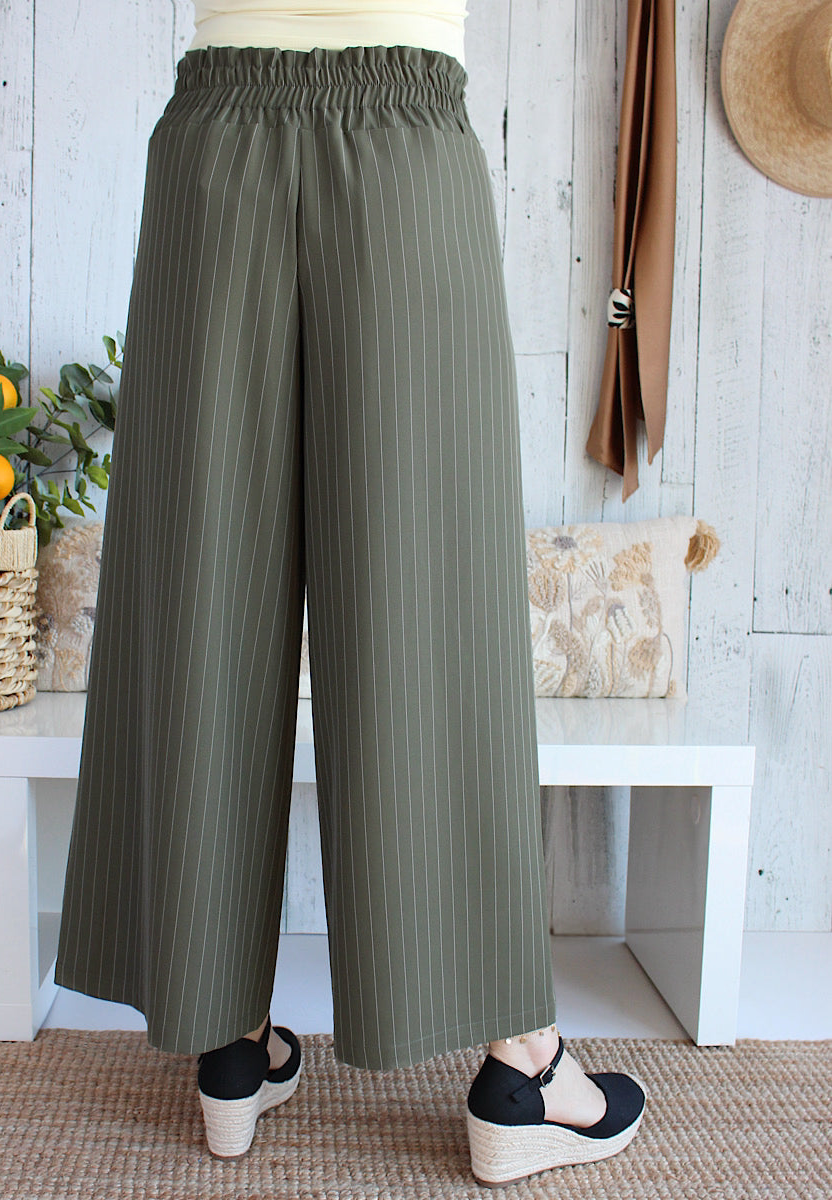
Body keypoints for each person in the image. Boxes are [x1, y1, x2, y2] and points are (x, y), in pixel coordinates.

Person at [54, 1, 647, 1187]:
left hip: (215, 146)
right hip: (403, 145)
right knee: (430, 598)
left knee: (203, 583)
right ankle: (521, 1064)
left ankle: (227, 1040)